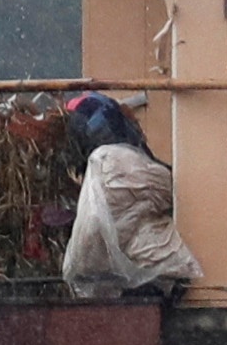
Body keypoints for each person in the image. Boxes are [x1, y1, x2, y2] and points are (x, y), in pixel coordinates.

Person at [58, 93, 201, 300]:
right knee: (149, 246)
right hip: (139, 170)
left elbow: (96, 230)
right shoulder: (120, 157)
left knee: (109, 239)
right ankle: (160, 283)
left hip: (106, 270)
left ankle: (152, 285)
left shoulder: (99, 159)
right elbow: (162, 188)